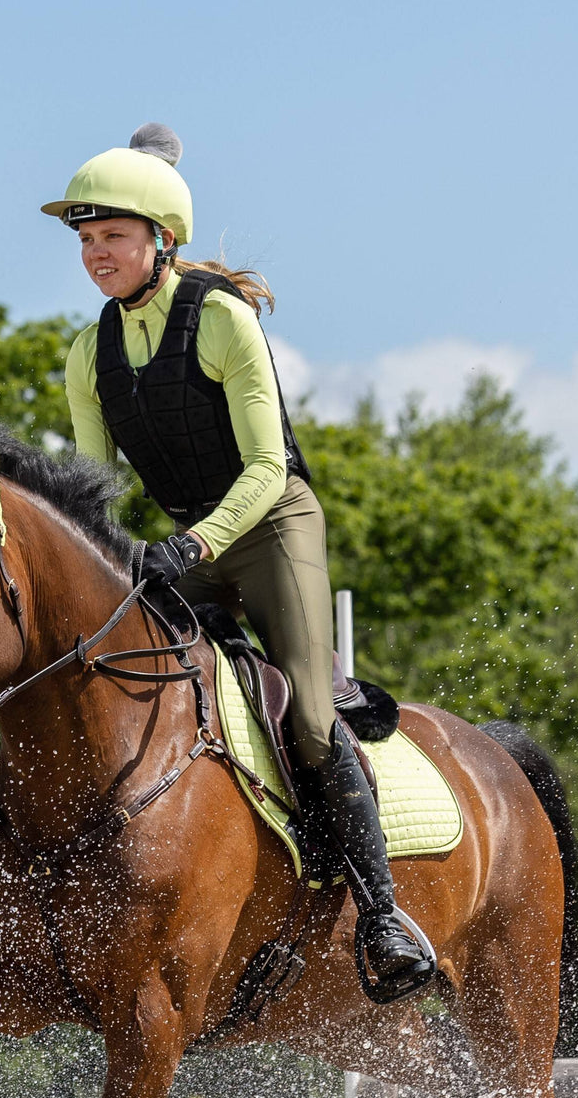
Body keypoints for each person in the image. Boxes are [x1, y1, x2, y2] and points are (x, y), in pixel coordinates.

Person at [42, 123, 433, 993]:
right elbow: (93, 494)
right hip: (189, 543)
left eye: (112, 236)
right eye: (85, 239)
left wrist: (193, 544)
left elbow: (267, 468)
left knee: (308, 719)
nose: (95, 254)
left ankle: (383, 917)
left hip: (272, 526)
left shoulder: (222, 321)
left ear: (162, 241)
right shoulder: (86, 354)